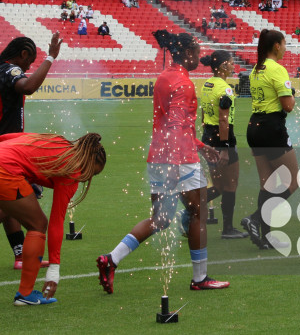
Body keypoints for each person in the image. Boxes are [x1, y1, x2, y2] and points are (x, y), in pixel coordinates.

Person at [97, 30, 229, 293]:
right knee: (198, 213)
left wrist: (201, 147)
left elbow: (172, 124)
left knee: (160, 219)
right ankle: (200, 278)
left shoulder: (164, 77)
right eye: (197, 52)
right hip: (178, 160)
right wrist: (178, 164)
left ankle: (111, 259)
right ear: (188, 53)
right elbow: (178, 127)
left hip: (158, 156)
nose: (199, 57)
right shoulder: (184, 82)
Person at [0, 131, 106, 305]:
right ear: (89, 163)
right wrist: (54, 269)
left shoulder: (57, 140)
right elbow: (56, 223)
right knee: (38, 224)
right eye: (92, 173)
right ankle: (25, 295)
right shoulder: (74, 171)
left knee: (9, 209)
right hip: (6, 170)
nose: (87, 178)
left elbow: (9, 137)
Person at [0, 35, 61, 271]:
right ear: (23, 55)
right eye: (30, 62)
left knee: (9, 204)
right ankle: (25, 269)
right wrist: (50, 57)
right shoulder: (10, 70)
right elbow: (29, 86)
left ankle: (19, 254)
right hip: (6, 151)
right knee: (28, 214)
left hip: (7, 148)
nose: (28, 68)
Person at [242, 30, 296, 250]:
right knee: (293, 181)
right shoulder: (277, 69)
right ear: (276, 46)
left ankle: (266, 237)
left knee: (267, 183)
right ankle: (255, 218)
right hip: (272, 129)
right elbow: (288, 106)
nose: (285, 48)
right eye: (284, 44)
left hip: (254, 126)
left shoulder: (257, 68)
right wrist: (292, 94)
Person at [200, 51, 247, 240]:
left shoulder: (207, 84)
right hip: (222, 140)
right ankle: (228, 229)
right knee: (230, 185)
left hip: (208, 138)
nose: (233, 65)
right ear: (221, 66)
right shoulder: (225, 89)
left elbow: (204, 115)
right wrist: (226, 149)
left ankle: (189, 209)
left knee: (218, 186)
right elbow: (224, 121)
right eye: (229, 62)